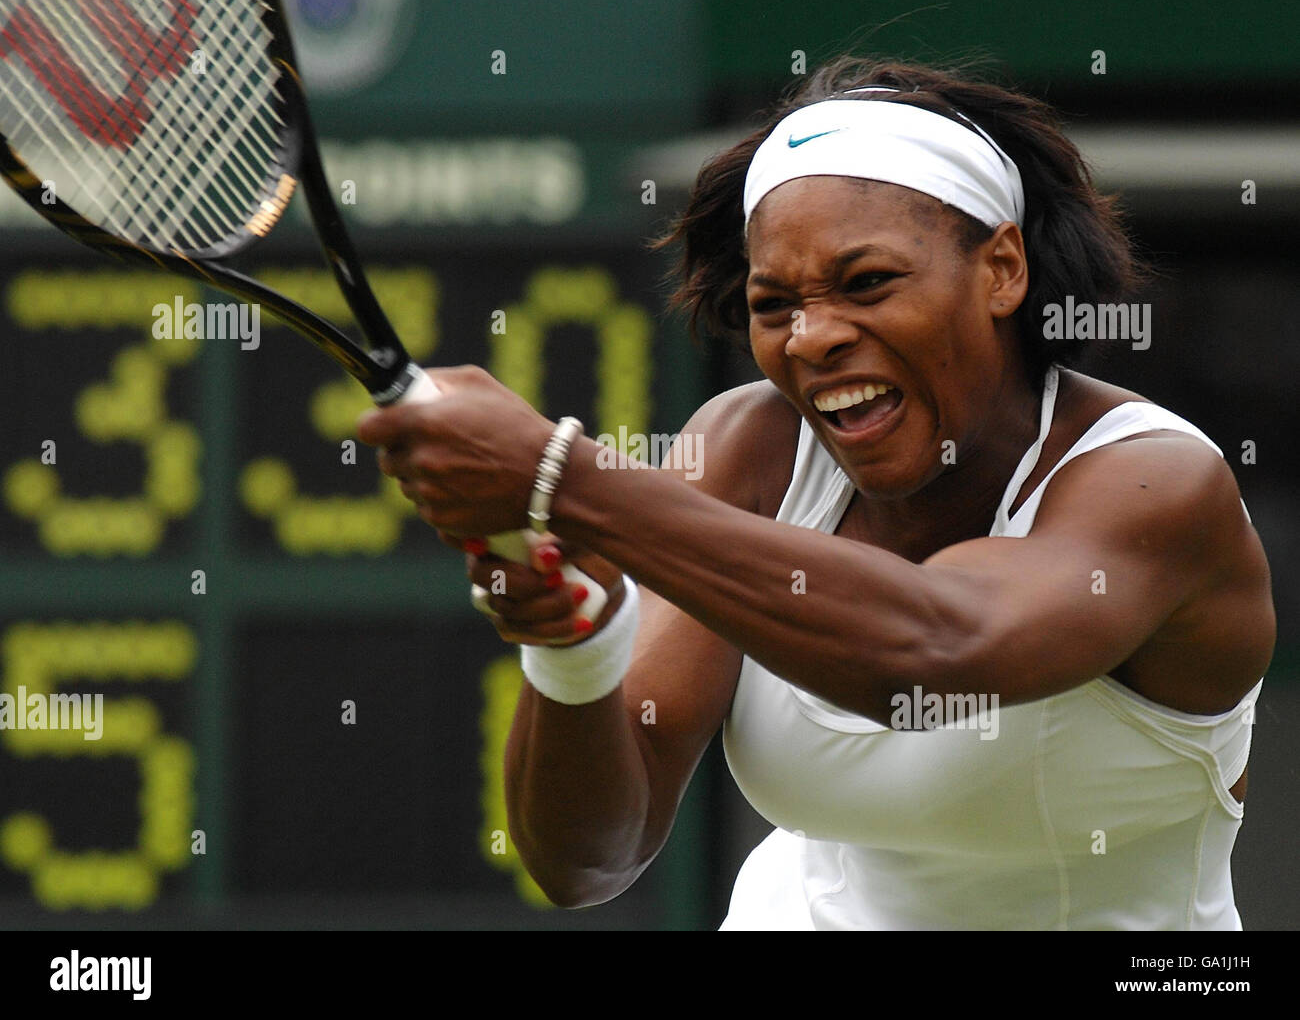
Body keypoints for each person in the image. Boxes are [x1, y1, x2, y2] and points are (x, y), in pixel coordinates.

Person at [356, 57, 1275, 930]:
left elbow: (938, 652)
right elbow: (586, 863)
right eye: (772, 305)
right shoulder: (748, 447)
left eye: (867, 283)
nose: (812, 338)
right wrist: (575, 647)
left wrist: (567, 476)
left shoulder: (1156, 482)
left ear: (1002, 269)